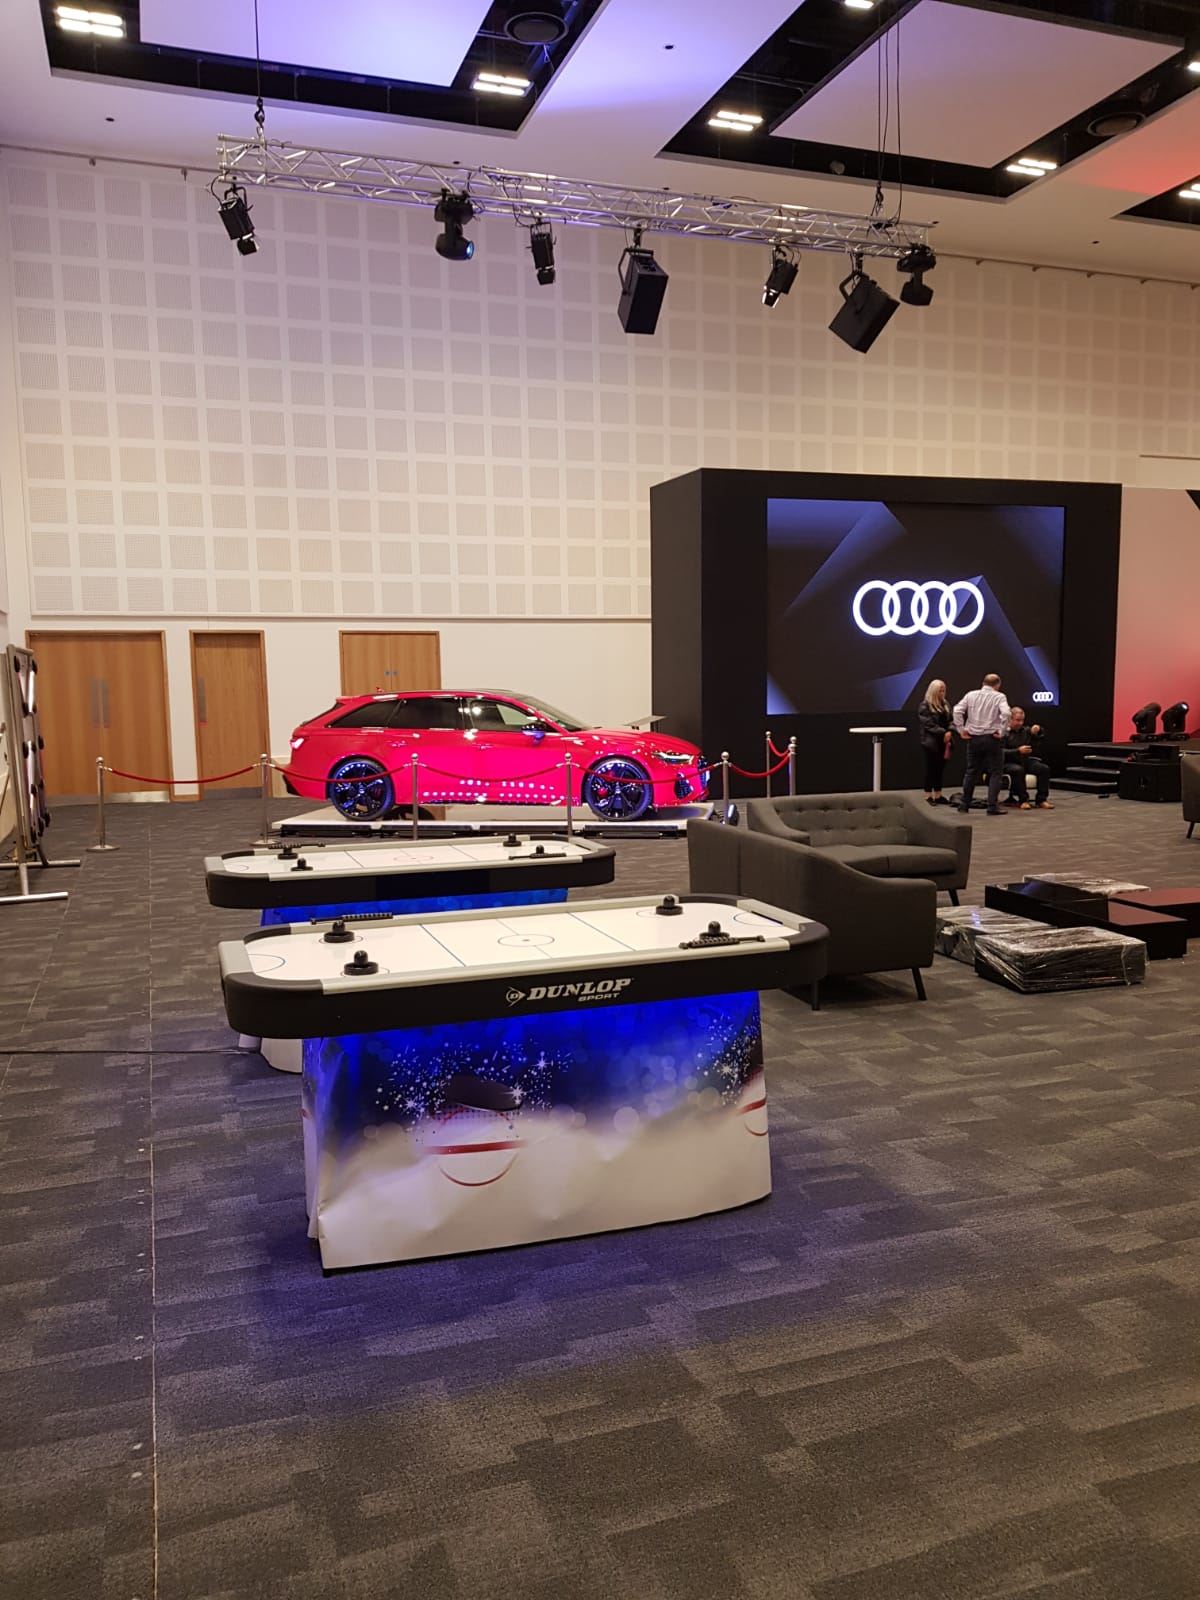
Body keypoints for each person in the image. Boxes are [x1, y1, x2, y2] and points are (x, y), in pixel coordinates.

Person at [953, 672, 1011, 815]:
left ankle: (964, 805)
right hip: (992, 739)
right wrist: (1002, 731)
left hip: (974, 738)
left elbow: (957, 710)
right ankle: (992, 806)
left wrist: (961, 730)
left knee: (971, 771)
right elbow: (1007, 713)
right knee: (995, 772)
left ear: (983, 683)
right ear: (997, 685)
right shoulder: (999, 696)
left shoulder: (971, 695)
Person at [1004, 707, 1054, 809]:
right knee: (1018, 770)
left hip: (1025, 760)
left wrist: (1038, 730)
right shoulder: (1003, 732)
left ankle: (1041, 799)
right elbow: (999, 751)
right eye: (1018, 720)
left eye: (1022, 720)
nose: (1020, 723)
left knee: (1043, 769)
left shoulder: (1026, 731)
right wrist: (1018, 751)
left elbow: (1040, 736)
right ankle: (1023, 800)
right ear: (1010, 719)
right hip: (1008, 762)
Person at [917, 679, 953, 804]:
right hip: (931, 743)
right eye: (940, 691)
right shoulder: (925, 706)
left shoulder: (945, 704)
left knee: (940, 769)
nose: (942, 693)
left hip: (944, 742)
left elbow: (951, 720)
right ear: (933, 691)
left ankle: (938, 794)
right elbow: (928, 724)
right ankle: (928, 795)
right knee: (930, 769)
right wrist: (944, 732)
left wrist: (950, 731)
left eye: (943, 690)